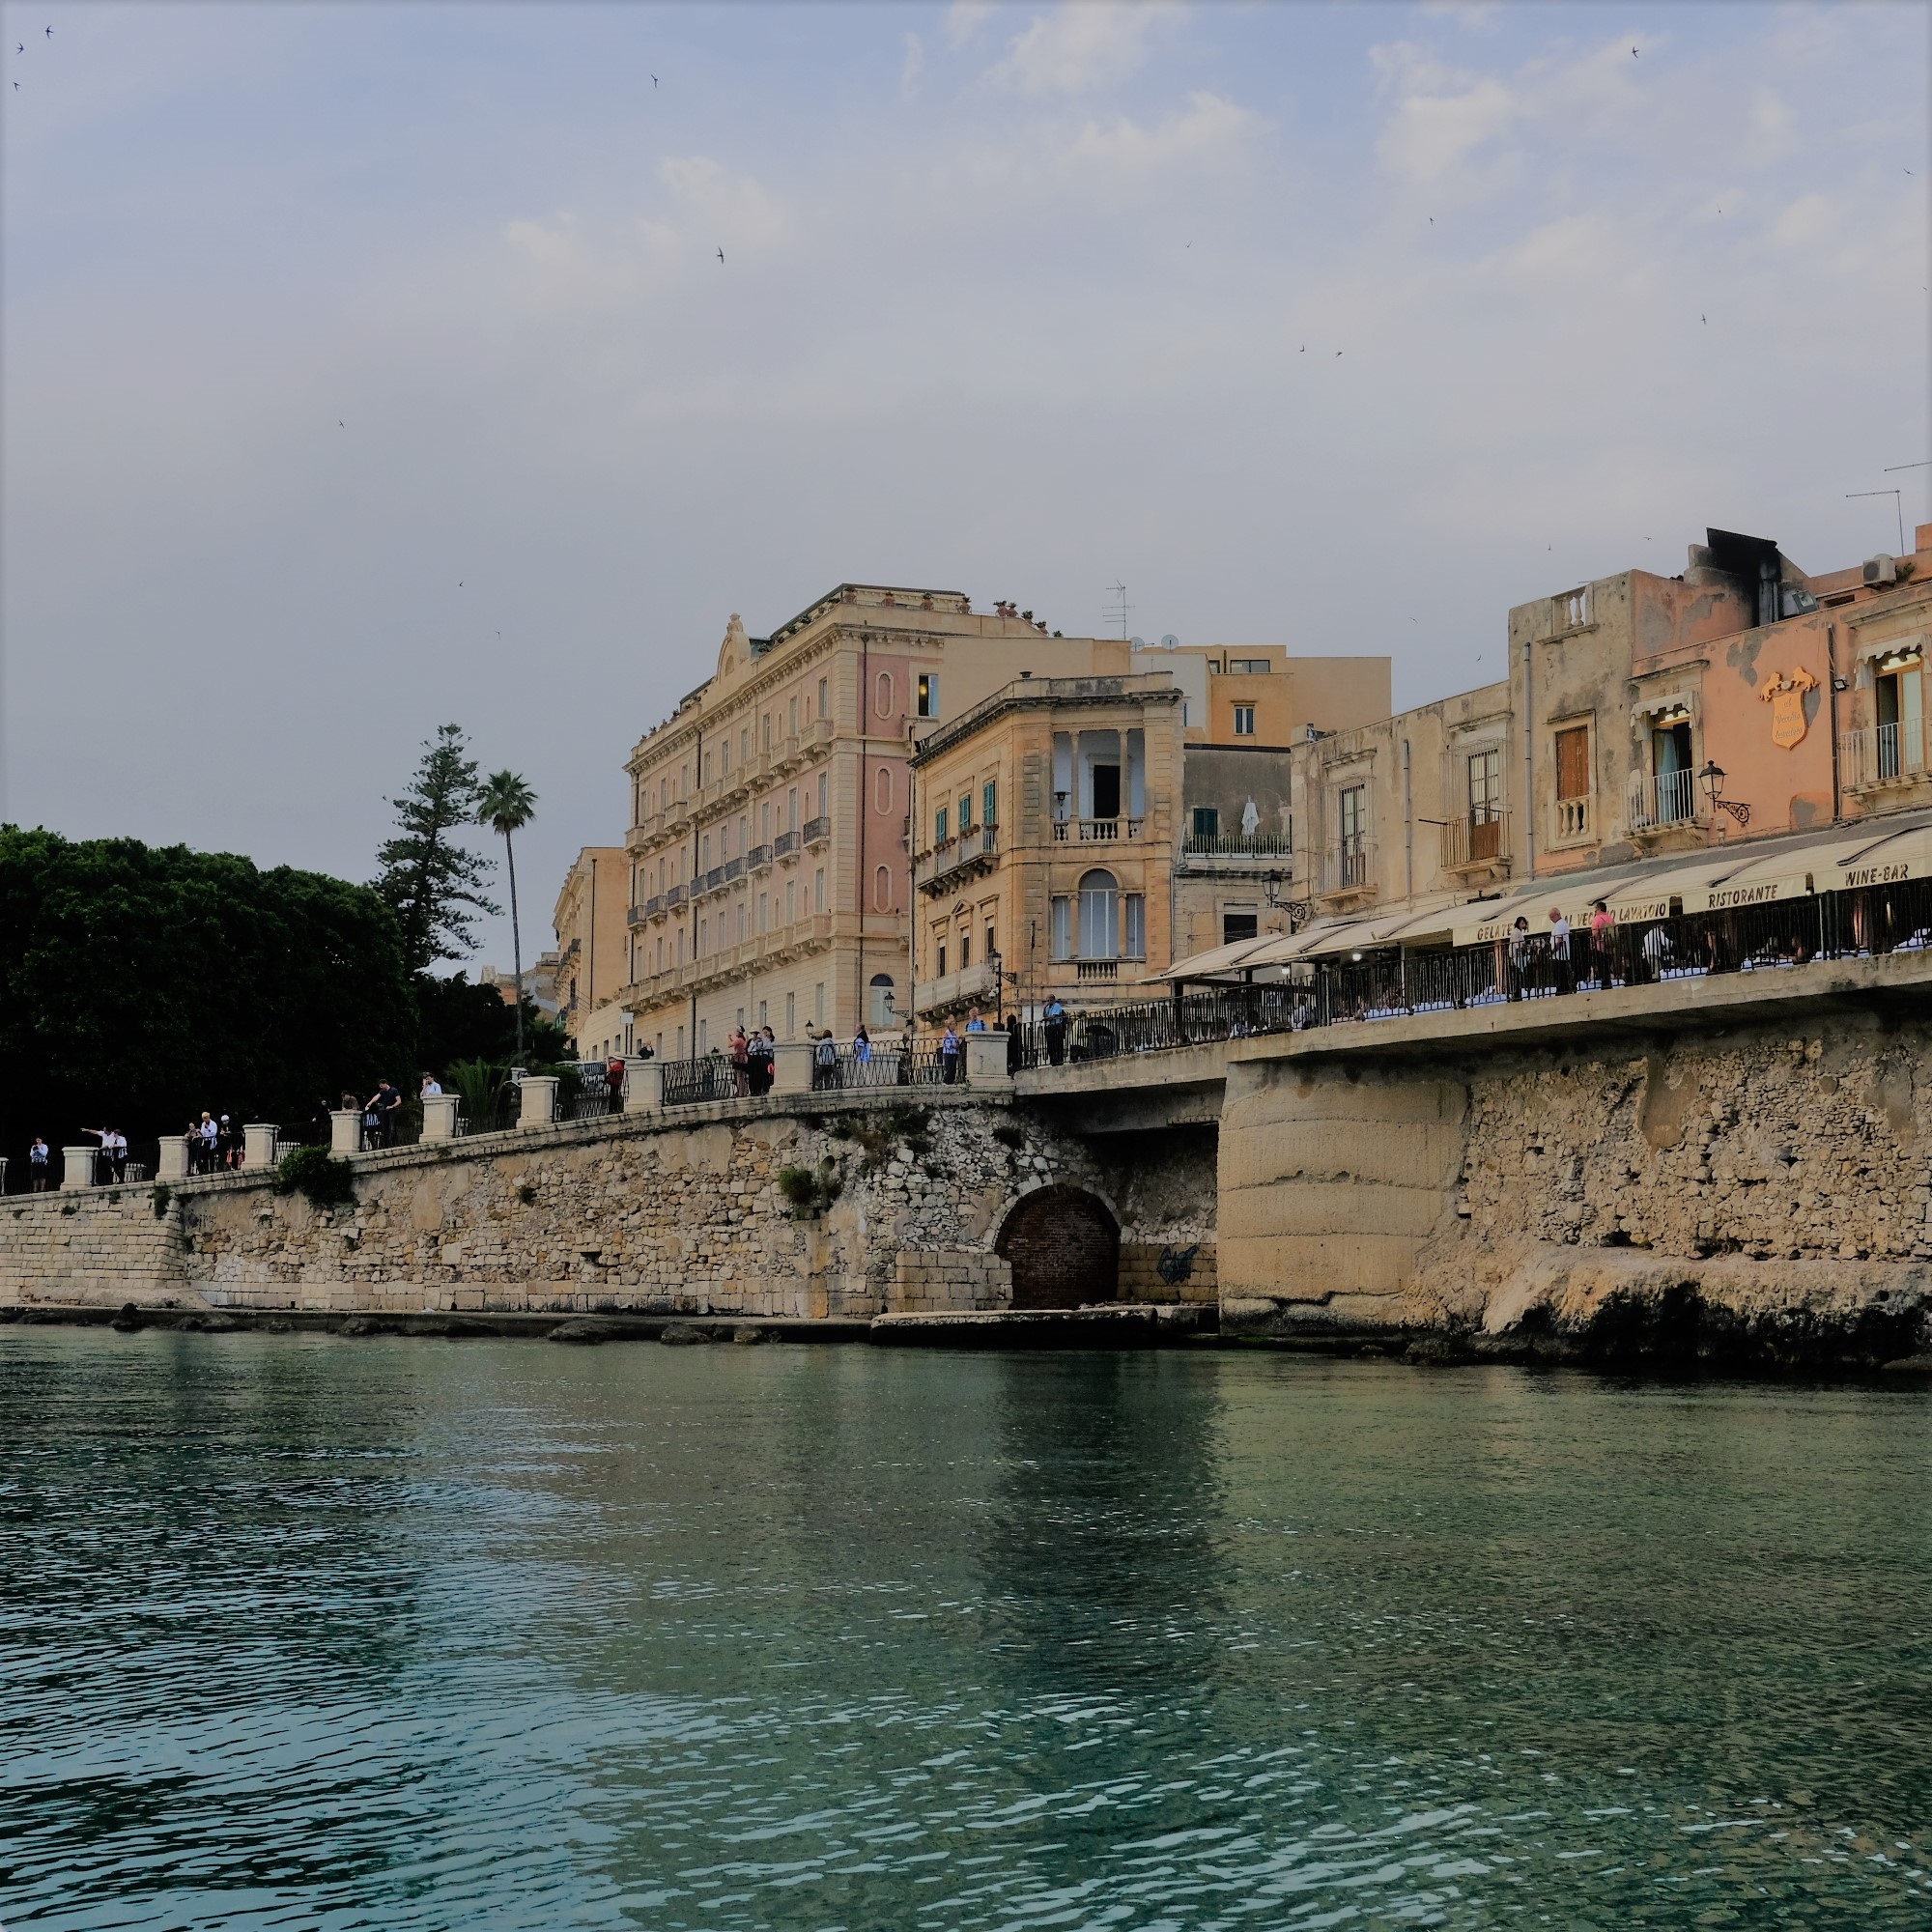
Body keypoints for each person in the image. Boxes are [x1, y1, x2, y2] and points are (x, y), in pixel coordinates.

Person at [1506, 917, 1533, 1001]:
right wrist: (1523, 948)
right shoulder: (1516, 932)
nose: (1523, 925)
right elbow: (1517, 945)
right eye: (1522, 923)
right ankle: (1517, 994)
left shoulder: (1518, 932)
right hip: (1516, 957)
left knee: (1518, 976)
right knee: (1517, 976)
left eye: (1524, 923)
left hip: (1518, 956)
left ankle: (1518, 993)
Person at [1548, 907, 1573, 994]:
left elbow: (1559, 940)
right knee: (1562, 975)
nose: (1551, 919)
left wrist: (1552, 951)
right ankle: (1563, 990)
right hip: (1561, 955)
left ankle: (1561, 991)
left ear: (1557, 915)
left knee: (1559, 975)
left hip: (1559, 956)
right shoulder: (1562, 923)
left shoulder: (1560, 925)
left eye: (1551, 916)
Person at [1588, 900, 1614, 984]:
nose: (1595, 912)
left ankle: (1605, 985)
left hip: (1601, 947)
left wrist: (1594, 941)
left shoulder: (1598, 918)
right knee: (1607, 967)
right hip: (1610, 947)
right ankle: (1608, 984)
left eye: (1595, 910)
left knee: (1602, 969)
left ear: (1599, 909)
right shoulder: (1610, 918)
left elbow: (1595, 933)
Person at [1043, 995, 1067, 1067]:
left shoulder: (1057, 1006)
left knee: (1057, 1044)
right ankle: (1053, 1060)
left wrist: (1046, 1018)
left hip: (1056, 1026)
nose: (1049, 1002)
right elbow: (1044, 1016)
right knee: (1050, 1045)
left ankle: (1059, 1060)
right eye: (1047, 1000)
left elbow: (1052, 1017)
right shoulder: (1048, 1007)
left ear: (1053, 1000)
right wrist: (1044, 1007)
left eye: (1050, 1000)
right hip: (1050, 1027)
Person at [812, 1027, 840, 1092]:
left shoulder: (821, 1043)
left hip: (822, 1063)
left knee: (818, 1077)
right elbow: (835, 1053)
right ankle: (827, 1089)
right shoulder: (833, 1043)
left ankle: (818, 1088)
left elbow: (818, 1052)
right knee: (827, 1078)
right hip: (830, 1063)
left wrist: (818, 1060)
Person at [729, 1026, 751, 1097]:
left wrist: (727, 1038)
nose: (735, 1032)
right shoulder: (742, 1040)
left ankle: (741, 1092)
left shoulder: (739, 1040)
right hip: (743, 1059)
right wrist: (730, 1038)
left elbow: (730, 1045)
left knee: (739, 1076)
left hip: (738, 1059)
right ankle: (744, 1091)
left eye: (736, 1031)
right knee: (741, 1076)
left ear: (739, 1032)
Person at [940, 1019, 963, 1083]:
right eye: (953, 1024)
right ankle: (946, 1081)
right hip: (948, 1052)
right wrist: (953, 1046)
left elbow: (956, 1041)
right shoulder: (947, 1033)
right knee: (949, 1067)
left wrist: (959, 1041)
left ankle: (951, 1080)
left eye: (955, 1024)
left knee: (953, 1068)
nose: (954, 1026)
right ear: (949, 1025)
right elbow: (944, 1042)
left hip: (954, 1052)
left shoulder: (954, 1033)